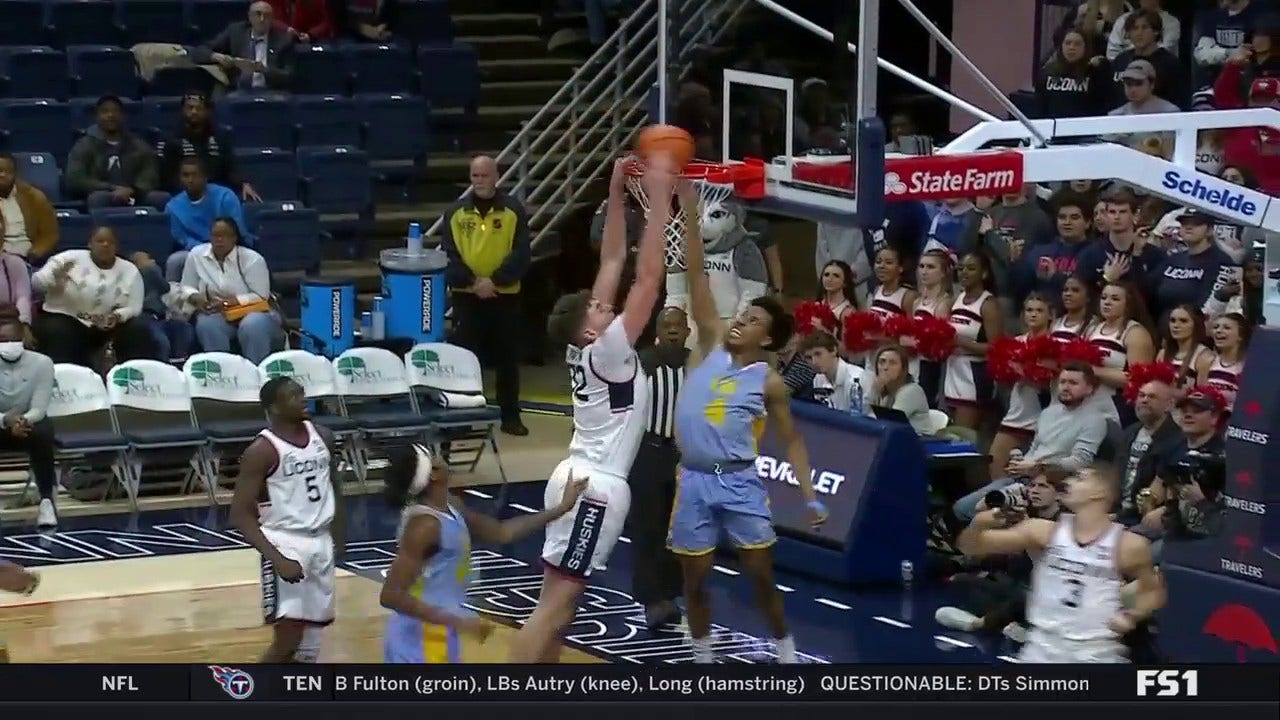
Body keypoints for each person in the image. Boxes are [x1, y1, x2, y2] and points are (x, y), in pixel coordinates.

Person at [510, 155, 669, 663]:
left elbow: (611, 262)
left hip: (577, 474)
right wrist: (663, 203)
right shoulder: (609, 346)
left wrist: (617, 186)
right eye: (599, 308)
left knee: (560, 604)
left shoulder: (584, 344)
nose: (607, 305)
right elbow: (645, 279)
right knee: (555, 608)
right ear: (588, 327)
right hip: (596, 485)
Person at [670, 172, 827, 665]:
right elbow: (696, 274)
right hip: (693, 479)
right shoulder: (712, 340)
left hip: (738, 483)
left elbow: (794, 441)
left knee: (760, 576)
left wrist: (809, 495)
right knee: (693, 580)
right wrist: (690, 211)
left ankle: (785, 648)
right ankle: (701, 654)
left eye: (754, 320)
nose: (742, 321)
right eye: (744, 316)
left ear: (769, 339)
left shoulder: (769, 381)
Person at [381, 443, 586, 663]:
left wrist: (561, 508)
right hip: (415, 641)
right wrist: (457, 621)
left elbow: (502, 532)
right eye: (433, 456)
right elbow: (391, 595)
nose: (440, 457)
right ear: (433, 474)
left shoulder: (452, 506)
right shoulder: (424, 527)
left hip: (439, 637)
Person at [956, 463, 1165, 663]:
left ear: (1100, 492)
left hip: (1095, 653)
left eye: (1079, 478)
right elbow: (971, 547)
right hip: (1041, 648)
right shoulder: (1041, 531)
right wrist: (979, 524)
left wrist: (1131, 615)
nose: (1068, 483)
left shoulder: (1128, 545)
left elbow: (1152, 591)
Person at [230, 377, 344, 663]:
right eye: (293, 396)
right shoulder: (262, 450)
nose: (303, 399)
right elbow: (240, 514)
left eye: (302, 393)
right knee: (289, 638)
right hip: (285, 541)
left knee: (311, 643)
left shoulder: (324, 436)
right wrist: (277, 558)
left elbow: (335, 487)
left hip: (321, 540)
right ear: (274, 408)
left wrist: (339, 536)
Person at [441, 155, 532, 436]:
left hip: (504, 298)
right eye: (474, 176)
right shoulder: (455, 213)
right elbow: (449, 255)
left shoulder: (513, 211)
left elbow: (521, 254)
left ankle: (510, 417)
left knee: (508, 359)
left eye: (484, 176)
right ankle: (462, 419)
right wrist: (472, 282)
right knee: (465, 360)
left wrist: (494, 281)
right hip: (466, 298)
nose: (479, 181)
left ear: (496, 177)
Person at [629, 306, 688, 629]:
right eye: (667, 325)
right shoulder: (643, 362)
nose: (673, 330)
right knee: (647, 528)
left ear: (688, 331)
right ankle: (651, 599)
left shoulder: (697, 363)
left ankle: (670, 596)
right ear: (658, 331)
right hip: (649, 451)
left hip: (683, 455)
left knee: (676, 531)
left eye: (679, 325)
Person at [31, 227, 155, 367]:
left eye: (110, 242)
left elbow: (135, 307)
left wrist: (116, 316)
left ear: (117, 247)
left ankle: (130, 375)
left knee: (140, 329)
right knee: (58, 330)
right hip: (68, 318)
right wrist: (52, 280)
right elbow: (36, 284)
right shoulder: (67, 259)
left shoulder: (129, 270)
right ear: (90, 244)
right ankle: (67, 379)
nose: (105, 245)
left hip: (109, 324)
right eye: (100, 241)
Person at [179, 217, 281, 363]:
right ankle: (224, 372)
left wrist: (227, 303)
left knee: (252, 325)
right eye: (215, 235)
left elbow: (261, 296)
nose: (219, 240)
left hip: (255, 311)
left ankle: (256, 373)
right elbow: (186, 286)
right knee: (206, 324)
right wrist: (195, 297)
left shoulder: (252, 259)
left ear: (234, 238)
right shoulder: (196, 255)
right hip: (218, 313)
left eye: (225, 235)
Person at [0, 317, 57, 528]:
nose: (9, 344)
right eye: (3, 339)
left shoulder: (42, 363)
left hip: (27, 424)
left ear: (23, 339)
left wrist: (22, 420)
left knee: (43, 431)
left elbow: (39, 408)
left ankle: (46, 501)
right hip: (1, 423)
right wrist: (6, 420)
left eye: (13, 339)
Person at [65, 96, 169, 210]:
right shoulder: (84, 145)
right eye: (105, 111)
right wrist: (111, 188)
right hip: (102, 194)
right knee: (98, 198)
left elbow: (150, 175)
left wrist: (132, 190)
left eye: (115, 111)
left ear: (123, 116)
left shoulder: (138, 145)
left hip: (134, 194)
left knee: (161, 198)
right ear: (97, 117)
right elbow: (75, 179)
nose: (111, 115)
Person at [164, 158, 253, 282]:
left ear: (205, 177)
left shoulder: (225, 196)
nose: (190, 180)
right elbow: (182, 239)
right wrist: (207, 251)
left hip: (230, 246)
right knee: (175, 261)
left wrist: (219, 247)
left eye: (195, 175)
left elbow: (237, 230)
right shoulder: (172, 207)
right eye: (186, 175)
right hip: (197, 251)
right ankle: (172, 298)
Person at [0, 152, 57, 263]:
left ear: (15, 173)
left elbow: (50, 234)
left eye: (7, 171)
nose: (2, 175)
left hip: (29, 256)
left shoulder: (34, 197)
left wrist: (36, 253)